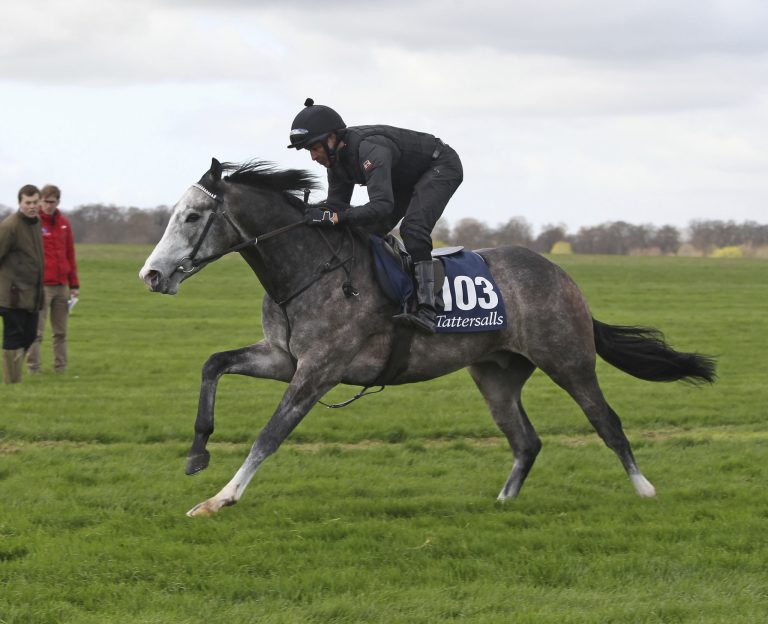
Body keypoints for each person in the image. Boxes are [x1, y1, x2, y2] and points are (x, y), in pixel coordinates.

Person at [288, 98, 463, 334]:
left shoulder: (370, 149)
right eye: (309, 150)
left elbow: (381, 206)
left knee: (412, 229)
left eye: (315, 148)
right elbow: (337, 206)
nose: (313, 156)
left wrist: (337, 217)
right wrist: (311, 214)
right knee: (365, 232)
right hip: (403, 179)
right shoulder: (335, 163)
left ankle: (428, 308)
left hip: (440, 165)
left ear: (332, 138)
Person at [27, 184, 79, 374]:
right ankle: (34, 368)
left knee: (61, 332)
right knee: (37, 332)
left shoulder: (64, 223)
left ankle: (61, 368)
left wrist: (74, 284)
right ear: (40, 201)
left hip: (62, 285)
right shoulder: (34, 223)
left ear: (58, 202)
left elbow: (70, 254)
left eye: (53, 201)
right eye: (46, 201)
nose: (49, 205)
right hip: (41, 286)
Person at [0, 185, 44, 384]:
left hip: (32, 294)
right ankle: (12, 382)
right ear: (20, 202)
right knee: (13, 337)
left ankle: (14, 377)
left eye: (35, 202)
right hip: (12, 295)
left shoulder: (36, 223)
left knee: (29, 336)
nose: (32, 206)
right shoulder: (9, 226)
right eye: (28, 203)